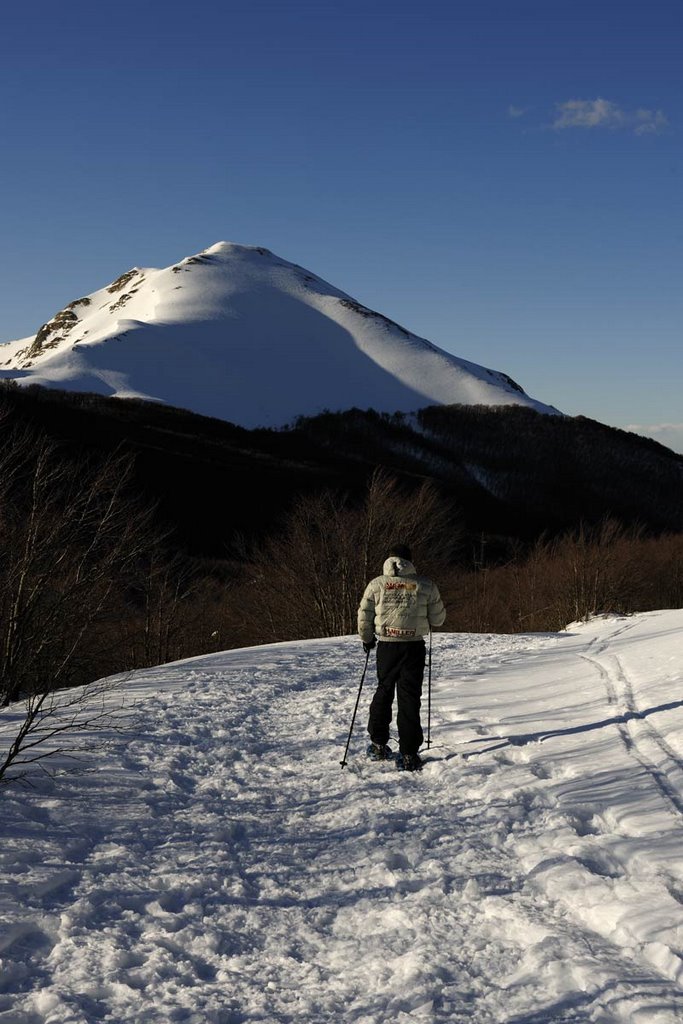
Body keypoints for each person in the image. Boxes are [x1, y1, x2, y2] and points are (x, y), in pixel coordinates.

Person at [357, 543, 446, 771]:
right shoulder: (425, 585)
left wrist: (368, 639)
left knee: (384, 691)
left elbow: (364, 615)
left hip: (387, 647)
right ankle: (408, 754)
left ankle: (378, 744)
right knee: (409, 698)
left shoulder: (376, 584)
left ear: (389, 560)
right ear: (409, 561)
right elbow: (438, 620)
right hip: (413, 647)